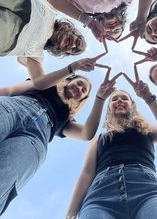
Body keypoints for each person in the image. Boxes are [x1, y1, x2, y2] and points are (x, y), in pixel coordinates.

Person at [0, 64, 122, 216]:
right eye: (79, 83)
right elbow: (10, 91)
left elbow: (86, 134)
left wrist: (100, 98)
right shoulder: (44, 84)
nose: (79, 89)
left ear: (82, 100)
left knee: (5, 176)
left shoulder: (67, 120)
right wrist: (74, 66)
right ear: (69, 80)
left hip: (35, 138)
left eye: (84, 91)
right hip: (16, 107)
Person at [65, 76, 157, 219]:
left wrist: (148, 97)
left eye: (124, 98)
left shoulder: (145, 130)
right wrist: (71, 213)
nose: (119, 100)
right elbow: (86, 174)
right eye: (114, 99)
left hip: (147, 191)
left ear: (132, 105)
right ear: (109, 109)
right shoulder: (98, 139)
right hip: (100, 196)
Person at [0, 0, 90, 84]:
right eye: (77, 42)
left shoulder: (37, 55)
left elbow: (39, 82)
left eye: (73, 51)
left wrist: (73, 67)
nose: (73, 46)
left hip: (11, 37)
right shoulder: (52, 10)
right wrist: (88, 21)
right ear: (73, 31)